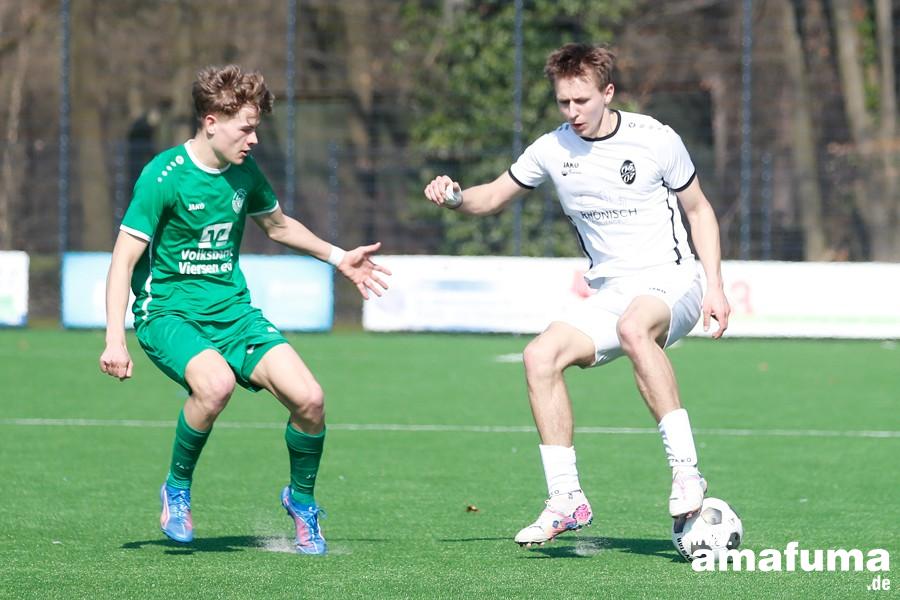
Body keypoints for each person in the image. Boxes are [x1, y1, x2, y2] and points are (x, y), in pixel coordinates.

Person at [423, 43, 730, 547]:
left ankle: (686, 473)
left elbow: (699, 210)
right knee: (539, 356)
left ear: (607, 92)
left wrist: (715, 286)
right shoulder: (552, 149)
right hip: (612, 292)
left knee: (634, 327)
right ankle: (566, 499)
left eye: (581, 101)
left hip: (674, 280)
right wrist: (456, 197)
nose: (572, 112)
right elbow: (493, 196)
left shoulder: (655, 139)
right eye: (563, 102)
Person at [99, 65, 390, 555]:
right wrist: (114, 338)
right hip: (168, 314)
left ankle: (301, 502)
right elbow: (122, 260)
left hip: (234, 314)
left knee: (311, 400)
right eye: (246, 128)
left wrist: (340, 257)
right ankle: (176, 487)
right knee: (215, 385)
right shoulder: (163, 176)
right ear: (211, 122)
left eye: (256, 128)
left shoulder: (245, 173)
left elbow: (278, 226)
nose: (254, 139)